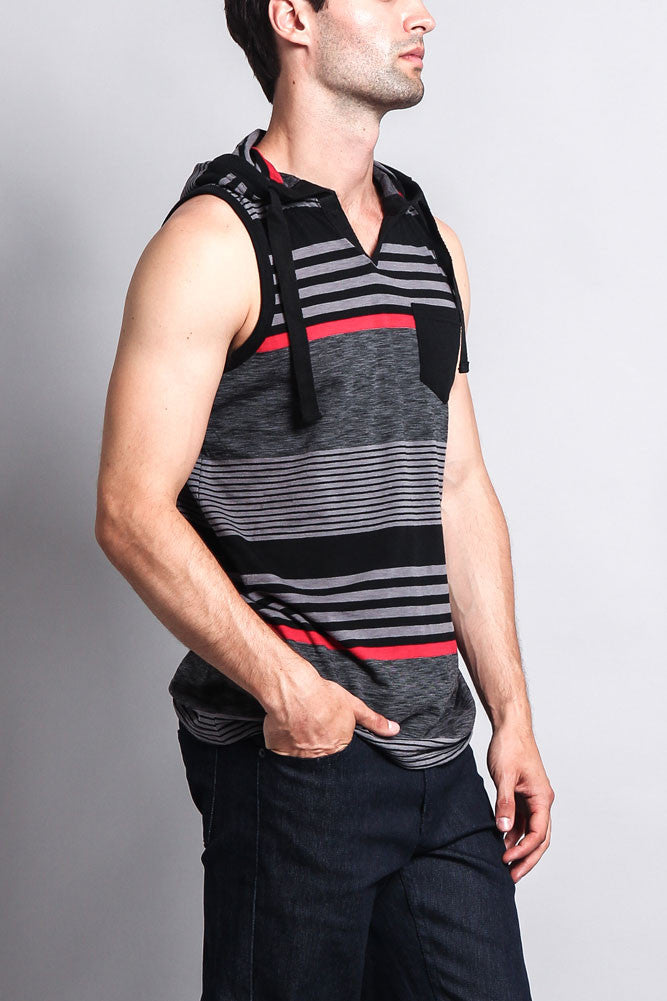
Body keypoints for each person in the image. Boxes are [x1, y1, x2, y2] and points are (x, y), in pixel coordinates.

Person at [95, 1, 555, 998]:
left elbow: (458, 485)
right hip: (298, 759)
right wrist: (288, 689)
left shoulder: (429, 238)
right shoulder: (213, 242)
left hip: (439, 758)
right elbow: (130, 508)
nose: (420, 12)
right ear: (293, 16)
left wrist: (511, 714)